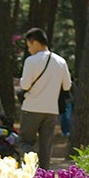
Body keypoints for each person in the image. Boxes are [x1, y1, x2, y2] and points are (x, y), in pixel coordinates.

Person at [18, 27, 73, 169]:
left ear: (35, 43)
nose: (29, 49)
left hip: (31, 108)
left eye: (29, 45)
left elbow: (25, 85)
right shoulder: (61, 61)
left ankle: (29, 171)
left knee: (25, 142)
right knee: (46, 148)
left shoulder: (31, 61)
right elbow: (67, 86)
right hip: (51, 110)